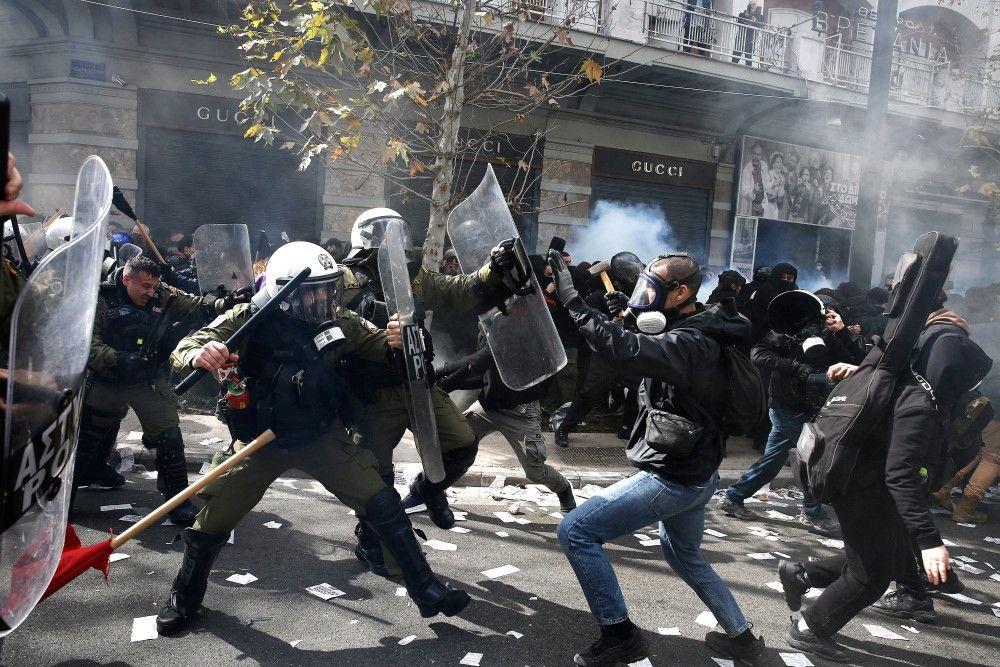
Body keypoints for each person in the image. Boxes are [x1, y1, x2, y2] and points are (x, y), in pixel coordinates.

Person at [154, 241, 471, 635]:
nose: (324, 299)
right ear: (287, 292)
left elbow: (383, 350)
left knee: (382, 501)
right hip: (261, 443)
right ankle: (183, 597)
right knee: (212, 522)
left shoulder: (340, 321)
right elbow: (189, 344)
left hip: (321, 437)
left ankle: (426, 590)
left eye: (328, 288)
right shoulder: (251, 317)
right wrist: (203, 354)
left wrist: (402, 339)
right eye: (313, 292)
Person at [549, 253, 766, 666]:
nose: (642, 297)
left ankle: (620, 635)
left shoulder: (693, 344)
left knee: (575, 531)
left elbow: (633, 352)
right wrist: (626, 317)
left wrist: (576, 305)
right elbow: (643, 351)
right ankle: (741, 638)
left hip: (675, 477)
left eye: (652, 290)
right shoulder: (704, 325)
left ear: (681, 292)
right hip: (701, 472)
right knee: (684, 554)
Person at [778, 301, 993, 663]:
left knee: (882, 554)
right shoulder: (920, 404)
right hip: (864, 487)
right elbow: (901, 474)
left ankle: (804, 575)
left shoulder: (899, 378)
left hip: (859, 480)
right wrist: (929, 541)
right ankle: (811, 627)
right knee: (870, 578)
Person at [338, 208, 518, 577]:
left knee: (462, 443)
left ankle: (429, 488)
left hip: (417, 381)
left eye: (399, 240)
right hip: (374, 395)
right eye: (386, 241)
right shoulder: (344, 282)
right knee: (376, 476)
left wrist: (494, 269)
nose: (397, 249)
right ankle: (370, 537)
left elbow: (461, 291)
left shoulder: (414, 278)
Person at [74, 255, 231, 525]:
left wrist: (223, 303)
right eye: (144, 285)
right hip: (108, 378)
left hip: (148, 379)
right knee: (90, 435)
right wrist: (121, 360)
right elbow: (88, 343)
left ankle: (177, 500)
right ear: (126, 279)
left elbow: (192, 306)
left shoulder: (162, 294)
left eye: (154, 285)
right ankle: (74, 489)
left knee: (169, 435)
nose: (151, 292)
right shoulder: (100, 298)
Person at [718, 293, 863, 534]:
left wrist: (841, 331)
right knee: (812, 456)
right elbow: (758, 354)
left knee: (774, 459)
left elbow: (857, 361)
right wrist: (795, 367)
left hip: (813, 406)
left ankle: (734, 496)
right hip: (787, 406)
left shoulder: (829, 333)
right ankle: (812, 512)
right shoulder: (784, 332)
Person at [436, 330, 578, 512]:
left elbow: (479, 360)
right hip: (489, 407)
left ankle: (564, 491)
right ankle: (435, 490)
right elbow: (487, 376)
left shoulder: (520, 332)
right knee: (455, 443)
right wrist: (448, 383)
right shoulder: (488, 327)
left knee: (535, 471)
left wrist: (441, 374)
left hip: (520, 412)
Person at [738, 143, 769, 217]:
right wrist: (753, 191)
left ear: (761, 156)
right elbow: (744, 192)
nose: (756, 157)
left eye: (758, 155)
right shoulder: (747, 169)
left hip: (762, 205)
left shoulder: (764, 165)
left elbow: (767, 183)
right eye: (754, 154)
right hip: (751, 205)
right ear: (751, 154)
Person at [733, 0, 764, 66]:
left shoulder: (760, 17)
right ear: (748, 4)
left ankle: (749, 70)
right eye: (751, 2)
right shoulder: (742, 14)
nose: (752, 4)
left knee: (749, 59)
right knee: (735, 57)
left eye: (754, 2)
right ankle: (732, 67)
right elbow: (739, 23)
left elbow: (761, 25)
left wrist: (755, 21)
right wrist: (746, 18)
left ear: (756, 4)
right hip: (741, 37)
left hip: (751, 39)